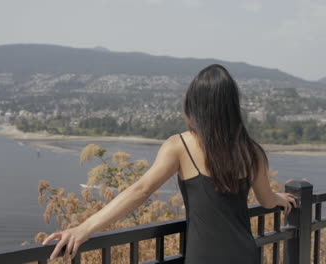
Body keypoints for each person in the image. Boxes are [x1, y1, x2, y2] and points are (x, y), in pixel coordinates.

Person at [42, 64, 297, 263]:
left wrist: (84, 228)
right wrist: (279, 198)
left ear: (195, 105)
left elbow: (140, 190)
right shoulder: (252, 151)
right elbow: (266, 200)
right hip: (244, 254)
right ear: (231, 106)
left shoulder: (180, 146)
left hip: (205, 258)